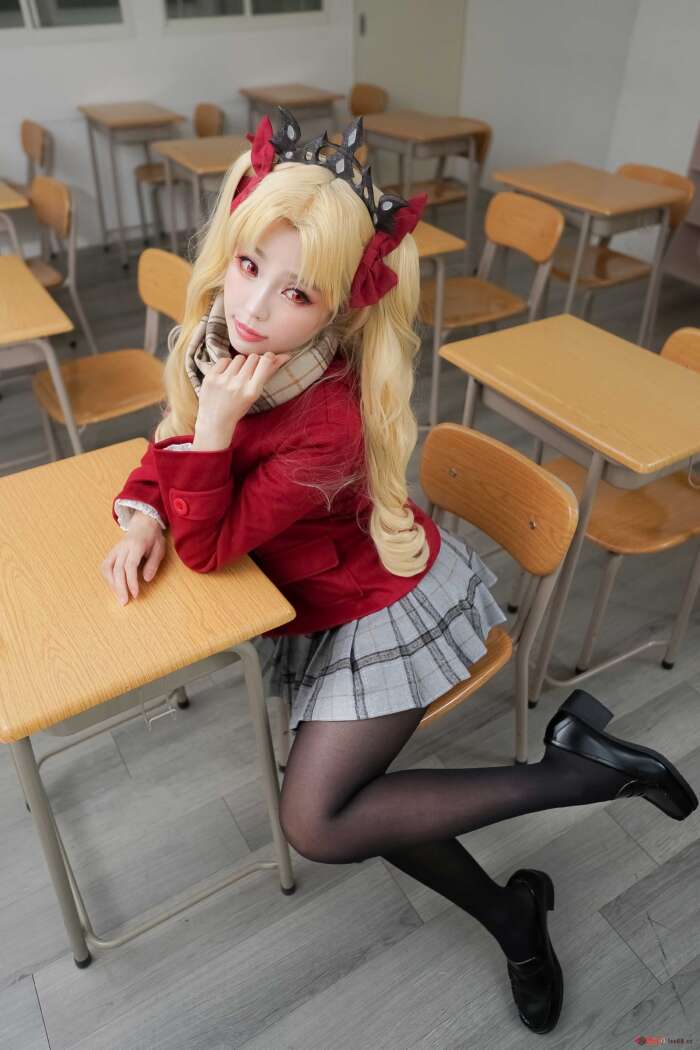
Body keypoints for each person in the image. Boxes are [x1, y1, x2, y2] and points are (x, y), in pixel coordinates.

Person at [100, 108, 698, 1036]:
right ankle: (517, 916)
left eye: (296, 294)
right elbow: (171, 435)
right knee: (355, 807)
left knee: (320, 822)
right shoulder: (227, 336)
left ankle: (572, 779)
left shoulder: (326, 421)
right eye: (250, 266)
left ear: (339, 307)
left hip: (375, 600)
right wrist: (145, 508)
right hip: (307, 593)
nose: (254, 307)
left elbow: (211, 545)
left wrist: (212, 436)